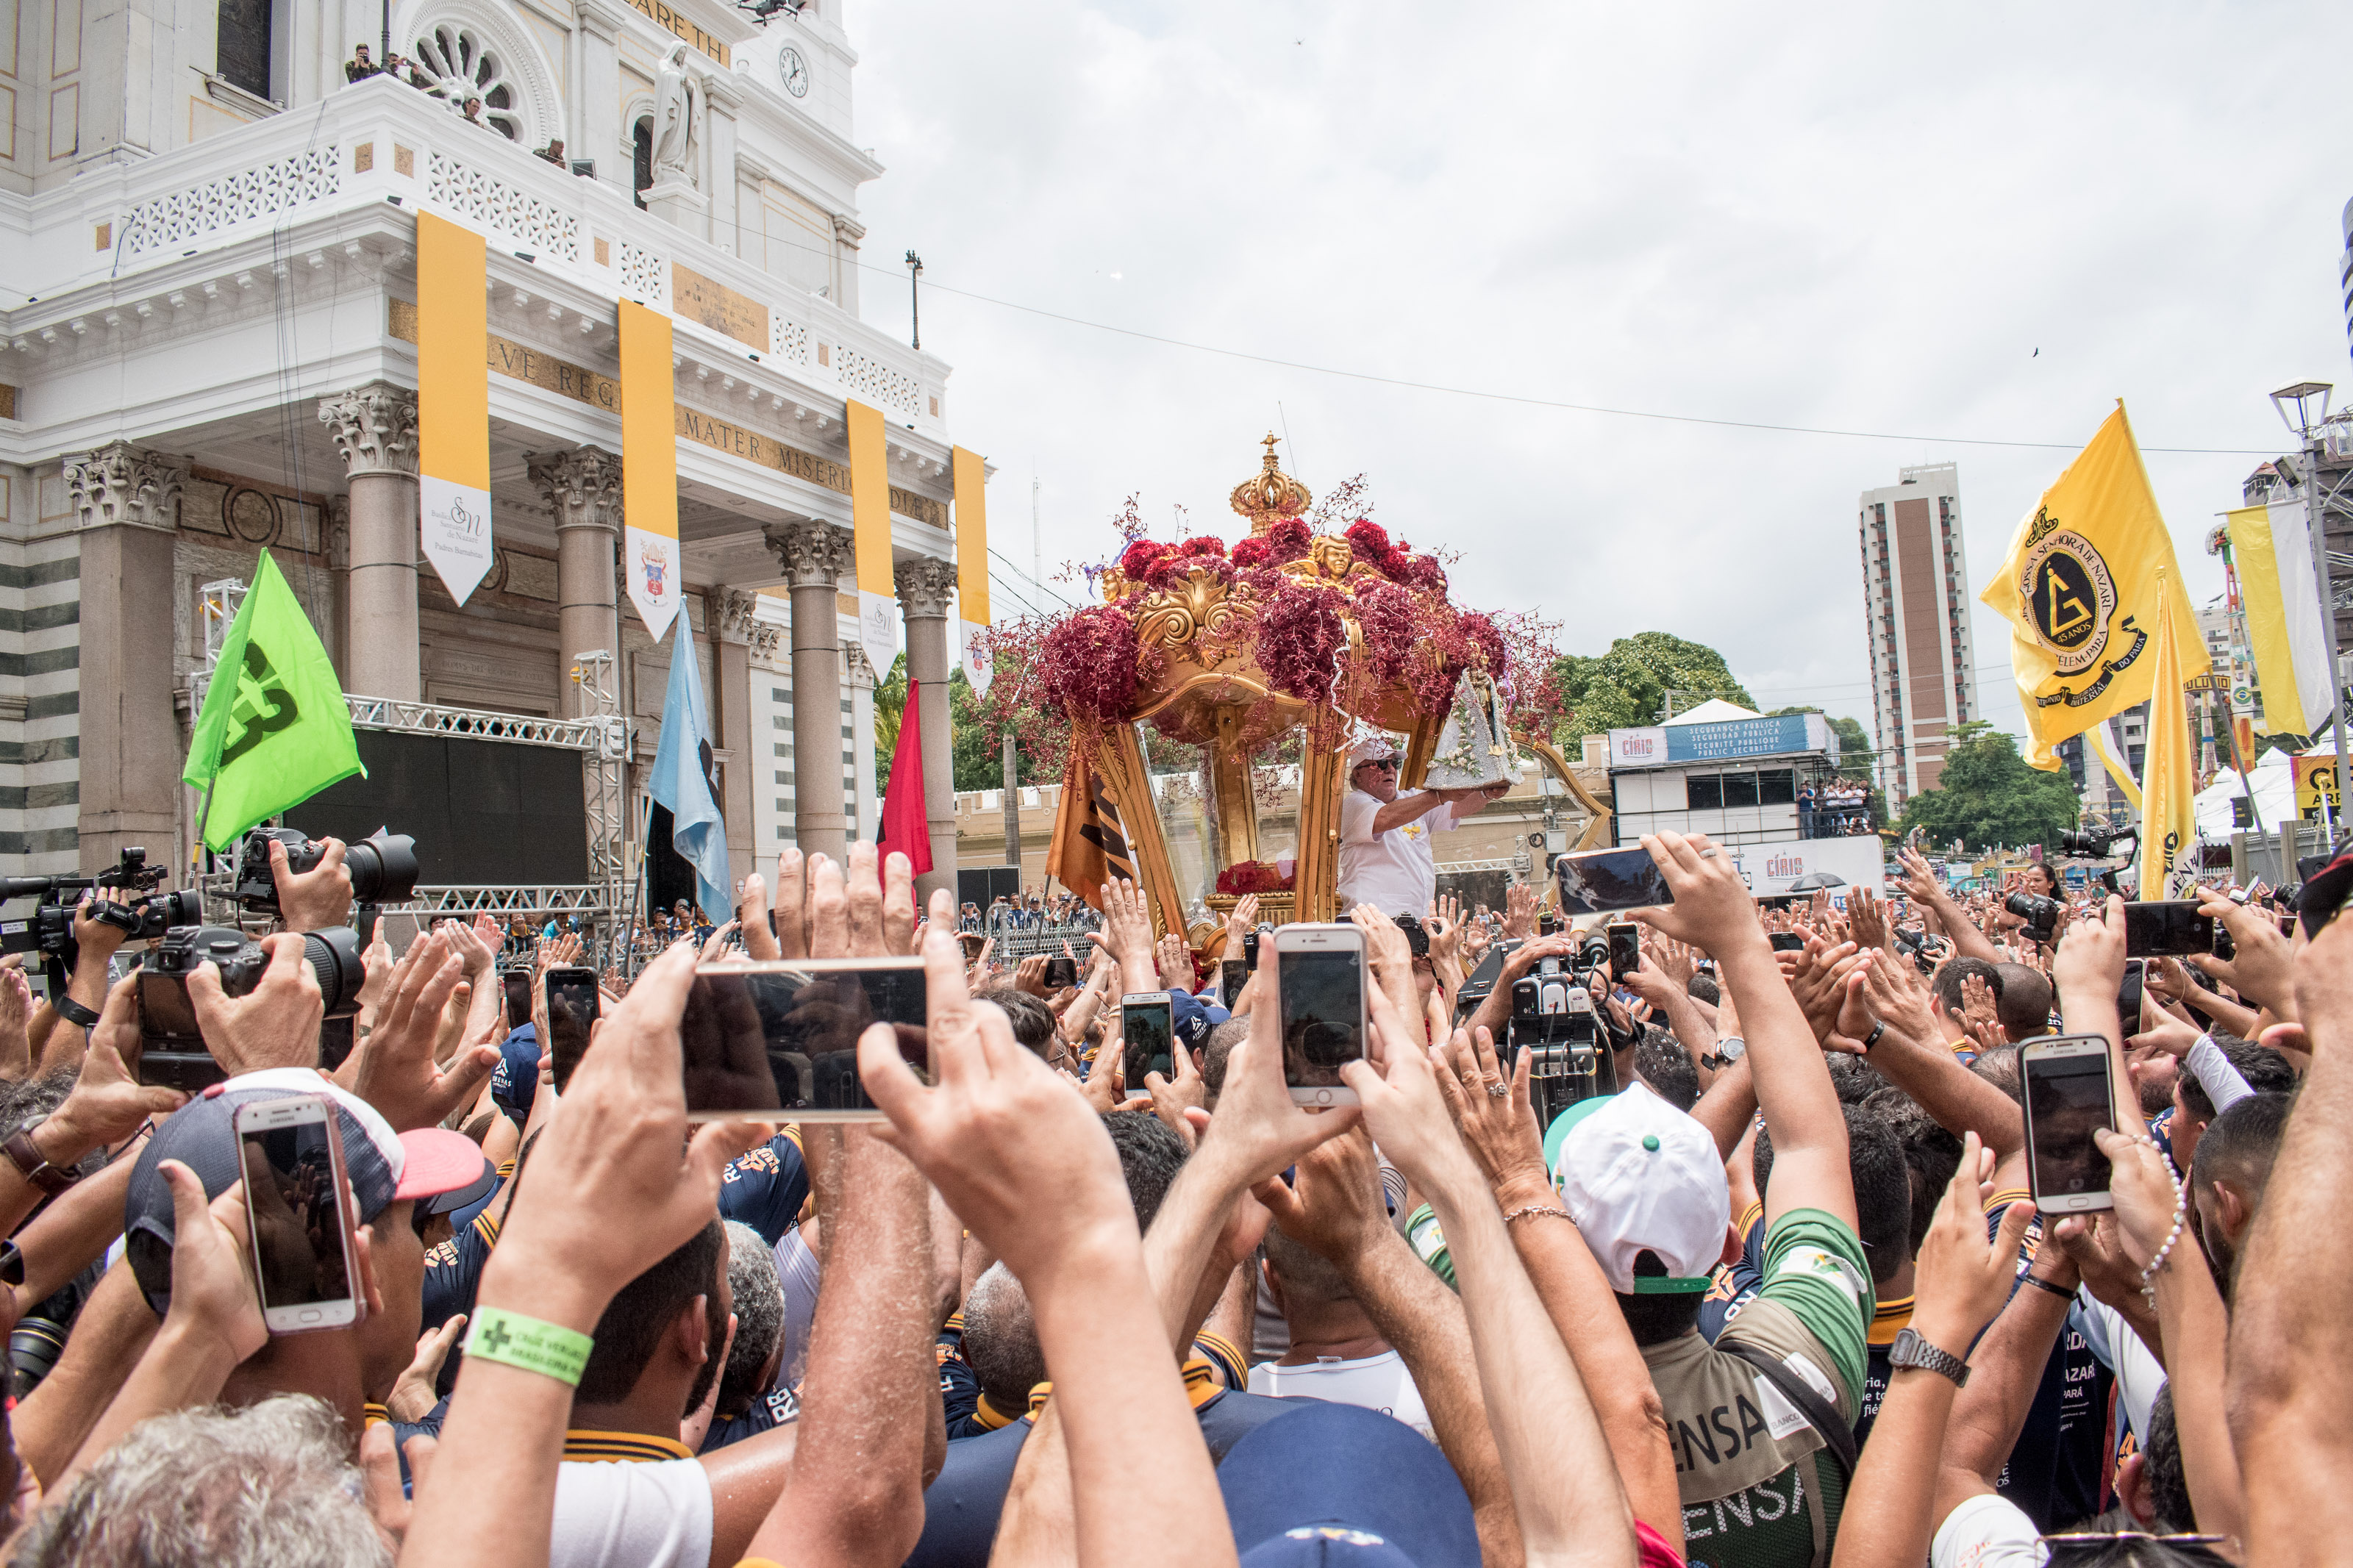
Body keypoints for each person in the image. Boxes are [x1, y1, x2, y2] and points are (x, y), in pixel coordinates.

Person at [1337, 735, 1504, 917]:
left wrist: (1487, 793)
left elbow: (1458, 806)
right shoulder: (1353, 804)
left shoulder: (1413, 799)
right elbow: (1386, 817)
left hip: (1414, 920)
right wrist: (1440, 795)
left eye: (1395, 763)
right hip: (1373, 920)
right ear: (1357, 774)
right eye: (1381, 764)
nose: (1391, 769)